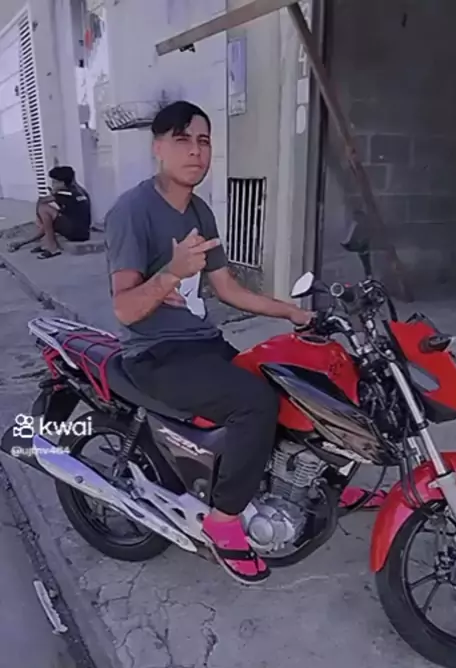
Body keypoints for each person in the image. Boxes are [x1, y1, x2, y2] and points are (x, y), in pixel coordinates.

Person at [104, 100, 314, 586]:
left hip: (202, 342)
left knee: (286, 383)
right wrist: (171, 272)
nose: (196, 152)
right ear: (158, 148)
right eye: (182, 140)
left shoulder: (200, 211)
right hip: (153, 353)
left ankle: (299, 486)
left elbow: (228, 289)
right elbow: (124, 309)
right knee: (255, 403)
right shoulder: (132, 212)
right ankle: (223, 520)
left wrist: (291, 313)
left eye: (203, 141)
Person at [8, 166, 91, 258]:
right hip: (84, 233)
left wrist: (39, 218)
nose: (53, 184)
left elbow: (41, 201)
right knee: (48, 218)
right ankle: (42, 243)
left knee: (44, 209)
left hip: (75, 233)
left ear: (62, 183)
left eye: (54, 182)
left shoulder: (64, 193)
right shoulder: (81, 191)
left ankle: (52, 248)